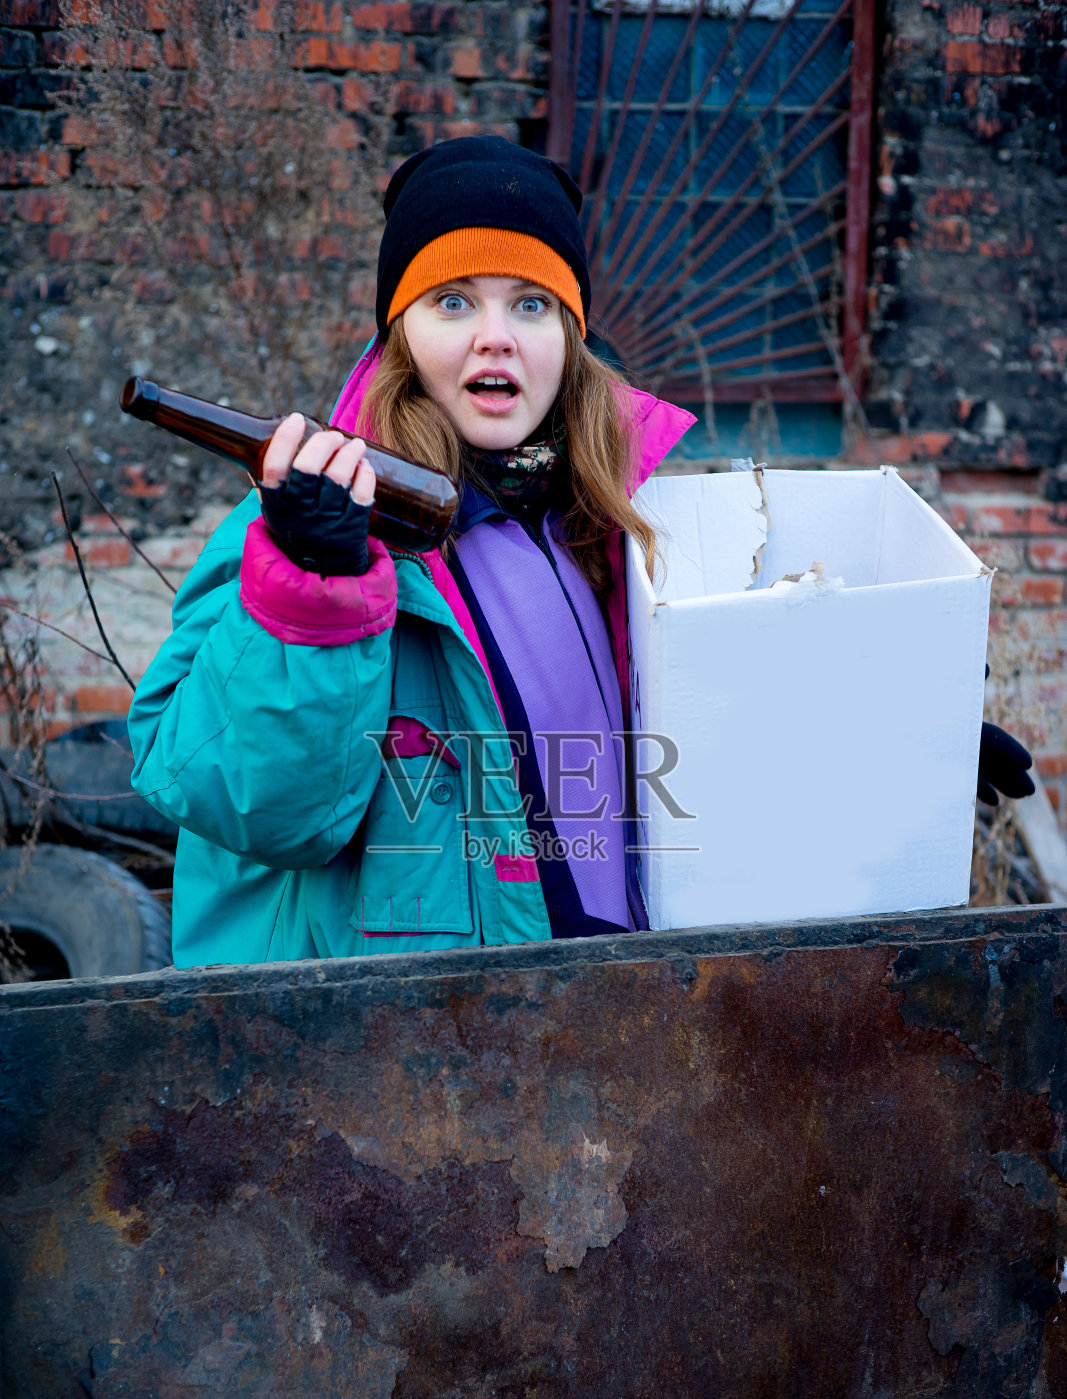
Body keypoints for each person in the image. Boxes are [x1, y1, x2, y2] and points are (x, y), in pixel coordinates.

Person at [129, 137, 1033, 969]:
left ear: (569, 339)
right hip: (394, 1050)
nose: (496, 335)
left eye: (531, 303)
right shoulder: (299, 539)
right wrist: (313, 594)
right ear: (401, 334)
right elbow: (243, 800)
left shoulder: (621, 530)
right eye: (452, 302)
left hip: (609, 1008)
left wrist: (879, 741)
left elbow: (704, 721)